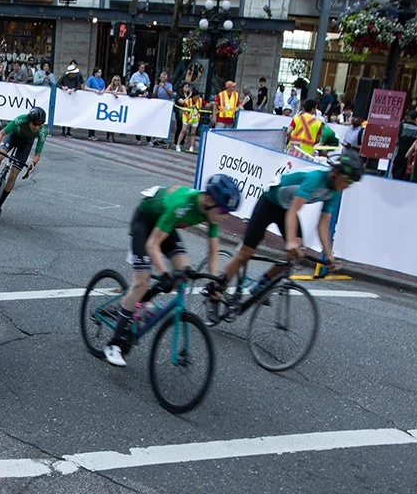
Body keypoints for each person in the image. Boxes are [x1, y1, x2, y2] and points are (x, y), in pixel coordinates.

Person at [103, 175, 241, 367]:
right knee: (142, 282)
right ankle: (114, 344)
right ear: (209, 200)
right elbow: (152, 244)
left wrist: (214, 280)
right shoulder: (182, 204)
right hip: (145, 222)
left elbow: (213, 249)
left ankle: (141, 305)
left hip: (164, 224)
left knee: (184, 270)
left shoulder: (212, 212)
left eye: (229, 212)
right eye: (224, 210)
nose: (225, 215)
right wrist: (164, 274)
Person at [214, 153, 360, 305]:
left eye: (352, 183)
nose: (348, 185)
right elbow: (294, 210)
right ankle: (216, 290)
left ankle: (263, 282)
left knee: (295, 251)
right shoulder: (315, 179)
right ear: (336, 173)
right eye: (347, 180)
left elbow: (322, 224)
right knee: (245, 253)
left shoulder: (335, 191)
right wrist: (290, 241)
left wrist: (329, 256)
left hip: (285, 207)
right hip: (269, 202)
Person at [0, 107, 49, 215]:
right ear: (29, 120)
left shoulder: (42, 131)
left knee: (13, 174)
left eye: (40, 124)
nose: (37, 127)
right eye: (35, 123)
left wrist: (33, 163)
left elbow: (37, 154)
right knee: (0, 157)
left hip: (25, 145)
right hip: (13, 137)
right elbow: (1, 133)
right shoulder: (22, 119)